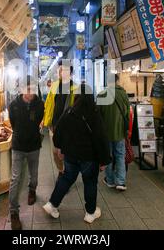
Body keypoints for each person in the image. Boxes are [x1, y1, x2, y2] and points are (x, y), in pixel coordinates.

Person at [43, 84, 110, 224]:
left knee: (66, 179)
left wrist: (60, 148)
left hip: (71, 156)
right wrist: (104, 160)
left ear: (77, 96)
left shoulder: (69, 112)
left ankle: (52, 204)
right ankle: (90, 213)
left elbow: (58, 133)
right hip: (89, 158)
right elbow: (101, 138)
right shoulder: (94, 113)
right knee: (90, 182)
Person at [8, 76, 44, 230]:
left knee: (34, 174)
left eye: (33, 89)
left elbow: (38, 121)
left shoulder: (40, 104)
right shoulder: (14, 105)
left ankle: (32, 190)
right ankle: (14, 212)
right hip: (18, 146)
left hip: (34, 145)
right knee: (15, 179)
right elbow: (13, 123)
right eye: (28, 89)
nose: (30, 93)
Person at [43, 60, 79, 178]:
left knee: (67, 152)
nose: (60, 72)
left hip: (69, 127)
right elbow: (48, 104)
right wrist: (45, 119)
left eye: (63, 69)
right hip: (54, 126)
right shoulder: (54, 86)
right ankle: (61, 170)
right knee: (55, 152)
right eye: (59, 69)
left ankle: (66, 173)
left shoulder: (76, 89)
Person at [97, 74, 130, 191]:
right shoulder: (123, 94)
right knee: (120, 155)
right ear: (117, 81)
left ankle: (110, 180)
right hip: (120, 132)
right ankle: (120, 182)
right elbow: (127, 114)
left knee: (108, 156)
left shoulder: (101, 95)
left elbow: (97, 116)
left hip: (105, 134)